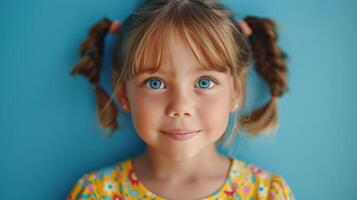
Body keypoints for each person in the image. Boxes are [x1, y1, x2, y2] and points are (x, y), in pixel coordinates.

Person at [68, 0, 294, 199]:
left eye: (204, 82)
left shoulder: (266, 194)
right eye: (155, 83)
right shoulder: (96, 193)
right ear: (123, 93)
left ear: (235, 91)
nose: (180, 107)